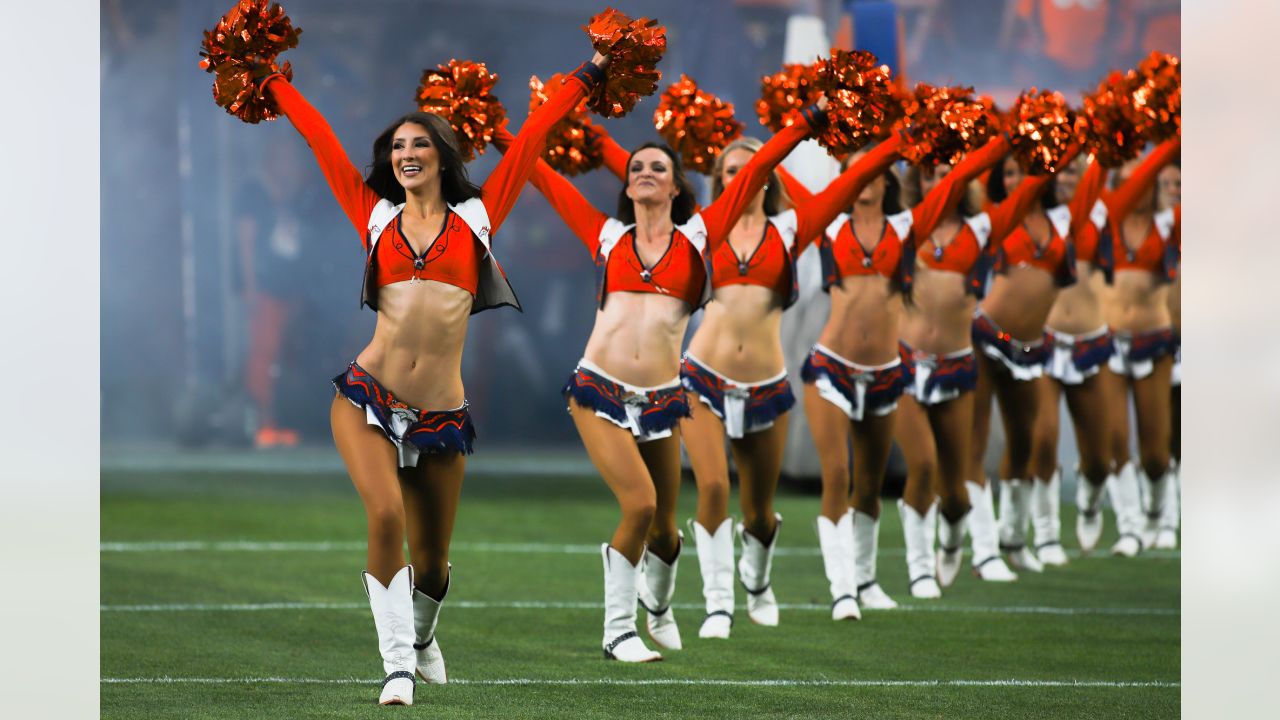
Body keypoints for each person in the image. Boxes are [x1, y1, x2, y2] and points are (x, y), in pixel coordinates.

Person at [256, 49, 606, 704]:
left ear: (442, 157)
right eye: (396, 146)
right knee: (383, 514)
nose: (405, 153)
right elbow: (318, 136)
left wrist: (589, 71)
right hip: (367, 395)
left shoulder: (478, 219)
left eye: (419, 144)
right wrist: (267, 77)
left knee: (435, 566)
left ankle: (421, 635)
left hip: (442, 414)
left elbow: (532, 137)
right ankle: (394, 665)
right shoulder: (375, 215)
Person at [496, 95, 827, 660]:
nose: (645, 173)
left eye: (658, 168)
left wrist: (807, 122)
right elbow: (544, 177)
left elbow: (753, 172)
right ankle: (617, 631)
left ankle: (659, 605)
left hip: (663, 400)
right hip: (597, 389)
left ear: (676, 187)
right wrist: (501, 131)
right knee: (641, 505)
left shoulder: (700, 238)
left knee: (667, 532)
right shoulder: (605, 236)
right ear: (627, 187)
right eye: (637, 168)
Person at [679, 135, 897, 638]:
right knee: (712, 486)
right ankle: (718, 603)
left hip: (766, 385)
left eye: (752, 168)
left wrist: (898, 142)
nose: (742, 177)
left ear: (770, 177)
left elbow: (849, 186)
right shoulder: (702, 229)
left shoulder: (791, 227)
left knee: (757, 510)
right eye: (732, 171)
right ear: (721, 182)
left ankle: (756, 583)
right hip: (702, 377)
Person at [891, 135, 1030, 588]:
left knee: (956, 484)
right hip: (905, 364)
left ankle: (955, 539)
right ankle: (917, 568)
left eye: (946, 174)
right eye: (928, 174)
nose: (938, 182)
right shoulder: (906, 226)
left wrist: (1027, 135)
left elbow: (1030, 188)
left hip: (957, 365)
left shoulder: (983, 228)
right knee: (923, 463)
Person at [1096, 140, 1181, 556]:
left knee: (1155, 448)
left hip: (1155, 341)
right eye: (1129, 181)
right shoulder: (1106, 221)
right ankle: (1128, 526)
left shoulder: (1169, 224)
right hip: (1111, 341)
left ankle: (1158, 514)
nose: (1139, 187)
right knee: (1115, 439)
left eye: (1144, 180)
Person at [1029, 153, 1115, 557]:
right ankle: (1045, 533)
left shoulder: (1101, 211)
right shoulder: (1033, 211)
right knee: (1042, 438)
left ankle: (1090, 498)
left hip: (1090, 342)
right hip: (1043, 341)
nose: (1065, 177)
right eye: (1059, 170)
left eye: (1073, 170)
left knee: (1100, 456)